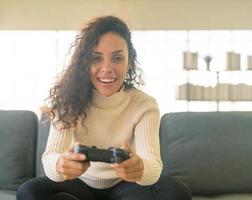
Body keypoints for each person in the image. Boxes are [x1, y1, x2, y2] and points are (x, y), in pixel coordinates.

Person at [17, 15, 191, 200]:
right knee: (29, 191)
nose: (107, 68)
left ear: (129, 61)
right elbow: (51, 156)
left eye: (117, 58)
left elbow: (153, 165)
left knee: (176, 191)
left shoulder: (144, 104)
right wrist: (61, 164)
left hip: (125, 186)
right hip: (79, 183)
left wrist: (139, 169)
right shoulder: (67, 99)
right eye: (96, 58)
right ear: (85, 63)